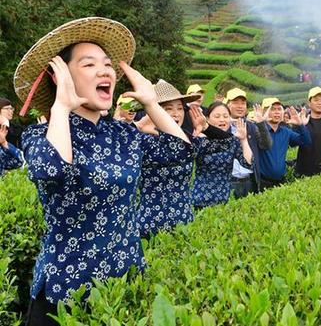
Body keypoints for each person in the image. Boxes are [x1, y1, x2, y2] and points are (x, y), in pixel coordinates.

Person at [14, 18, 192, 325]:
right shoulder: (40, 135)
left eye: (108, 64)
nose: (105, 70)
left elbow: (181, 153)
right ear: (61, 77)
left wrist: (151, 103)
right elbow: (51, 169)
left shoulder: (123, 134)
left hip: (122, 284)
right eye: (89, 64)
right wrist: (60, 107)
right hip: (64, 294)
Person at [136, 80, 211, 238]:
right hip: (149, 225)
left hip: (183, 222)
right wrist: (140, 127)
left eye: (179, 108)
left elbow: (221, 143)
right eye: (168, 109)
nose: (176, 113)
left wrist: (201, 128)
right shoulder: (141, 141)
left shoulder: (187, 141)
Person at [190, 101, 253, 208]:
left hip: (224, 199)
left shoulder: (232, 140)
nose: (222, 119)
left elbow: (248, 163)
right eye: (217, 116)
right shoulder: (200, 139)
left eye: (225, 116)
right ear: (207, 119)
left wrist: (243, 140)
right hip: (199, 198)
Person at [225, 87, 272, 195]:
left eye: (243, 103)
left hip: (249, 180)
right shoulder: (221, 127)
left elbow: (266, 145)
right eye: (235, 102)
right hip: (228, 181)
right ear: (228, 105)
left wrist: (261, 124)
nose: (240, 106)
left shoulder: (251, 126)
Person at [258, 97, 311, 189]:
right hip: (262, 182)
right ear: (264, 112)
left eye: (279, 109)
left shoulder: (285, 132)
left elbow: (306, 142)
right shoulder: (257, 130)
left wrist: (300, 125)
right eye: (273, 109)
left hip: (281, 181)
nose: (277, 112)